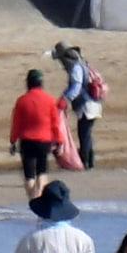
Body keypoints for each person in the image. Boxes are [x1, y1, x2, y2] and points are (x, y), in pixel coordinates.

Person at [9, 69, 64, 199]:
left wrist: (12, 141)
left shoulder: (22, 101)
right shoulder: (50, 100)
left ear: (28, 83)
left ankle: (34, 200)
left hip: (27, 141)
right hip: (44, 141)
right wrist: (60, 141)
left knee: (29, 174)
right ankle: (39, 201)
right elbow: (55, 124)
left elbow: (16, 123)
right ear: (41, 83)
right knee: (42, 171)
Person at [52, 41, 99, 170]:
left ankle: (86, 162)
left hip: (87, 105)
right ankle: (90, 161)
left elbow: (76, 87)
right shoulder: (83, 64)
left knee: (84, 133)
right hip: (93, 104)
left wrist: (65, 99)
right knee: (86, 133)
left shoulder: (75, 68)